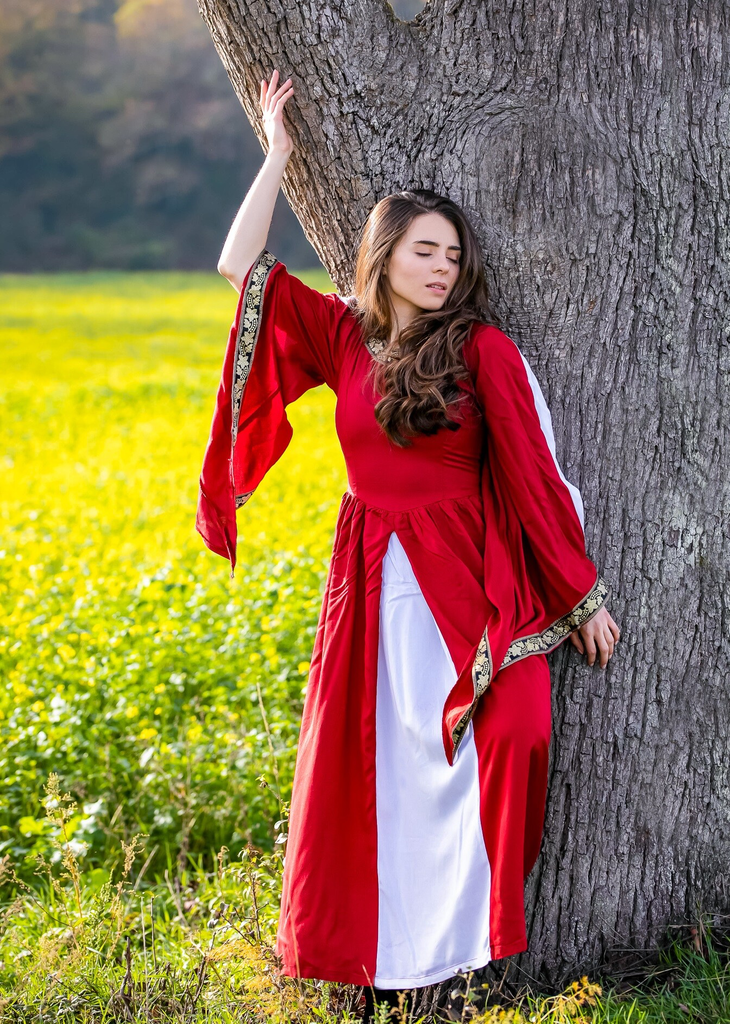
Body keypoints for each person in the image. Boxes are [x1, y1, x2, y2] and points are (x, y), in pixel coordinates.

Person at [197, 69, 620, 1018]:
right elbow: (238, 265)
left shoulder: (483, 351)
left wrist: (580, 595)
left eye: (453, 256)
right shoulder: (344, 338)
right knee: (376, 770)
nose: (442, 268)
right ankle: (383, 966)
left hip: (472, 577)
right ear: (383, 255)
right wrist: (277, 153)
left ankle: (468, 948)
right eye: (424, 250)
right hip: (372, 579)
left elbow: (535, 479)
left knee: (514, 735)